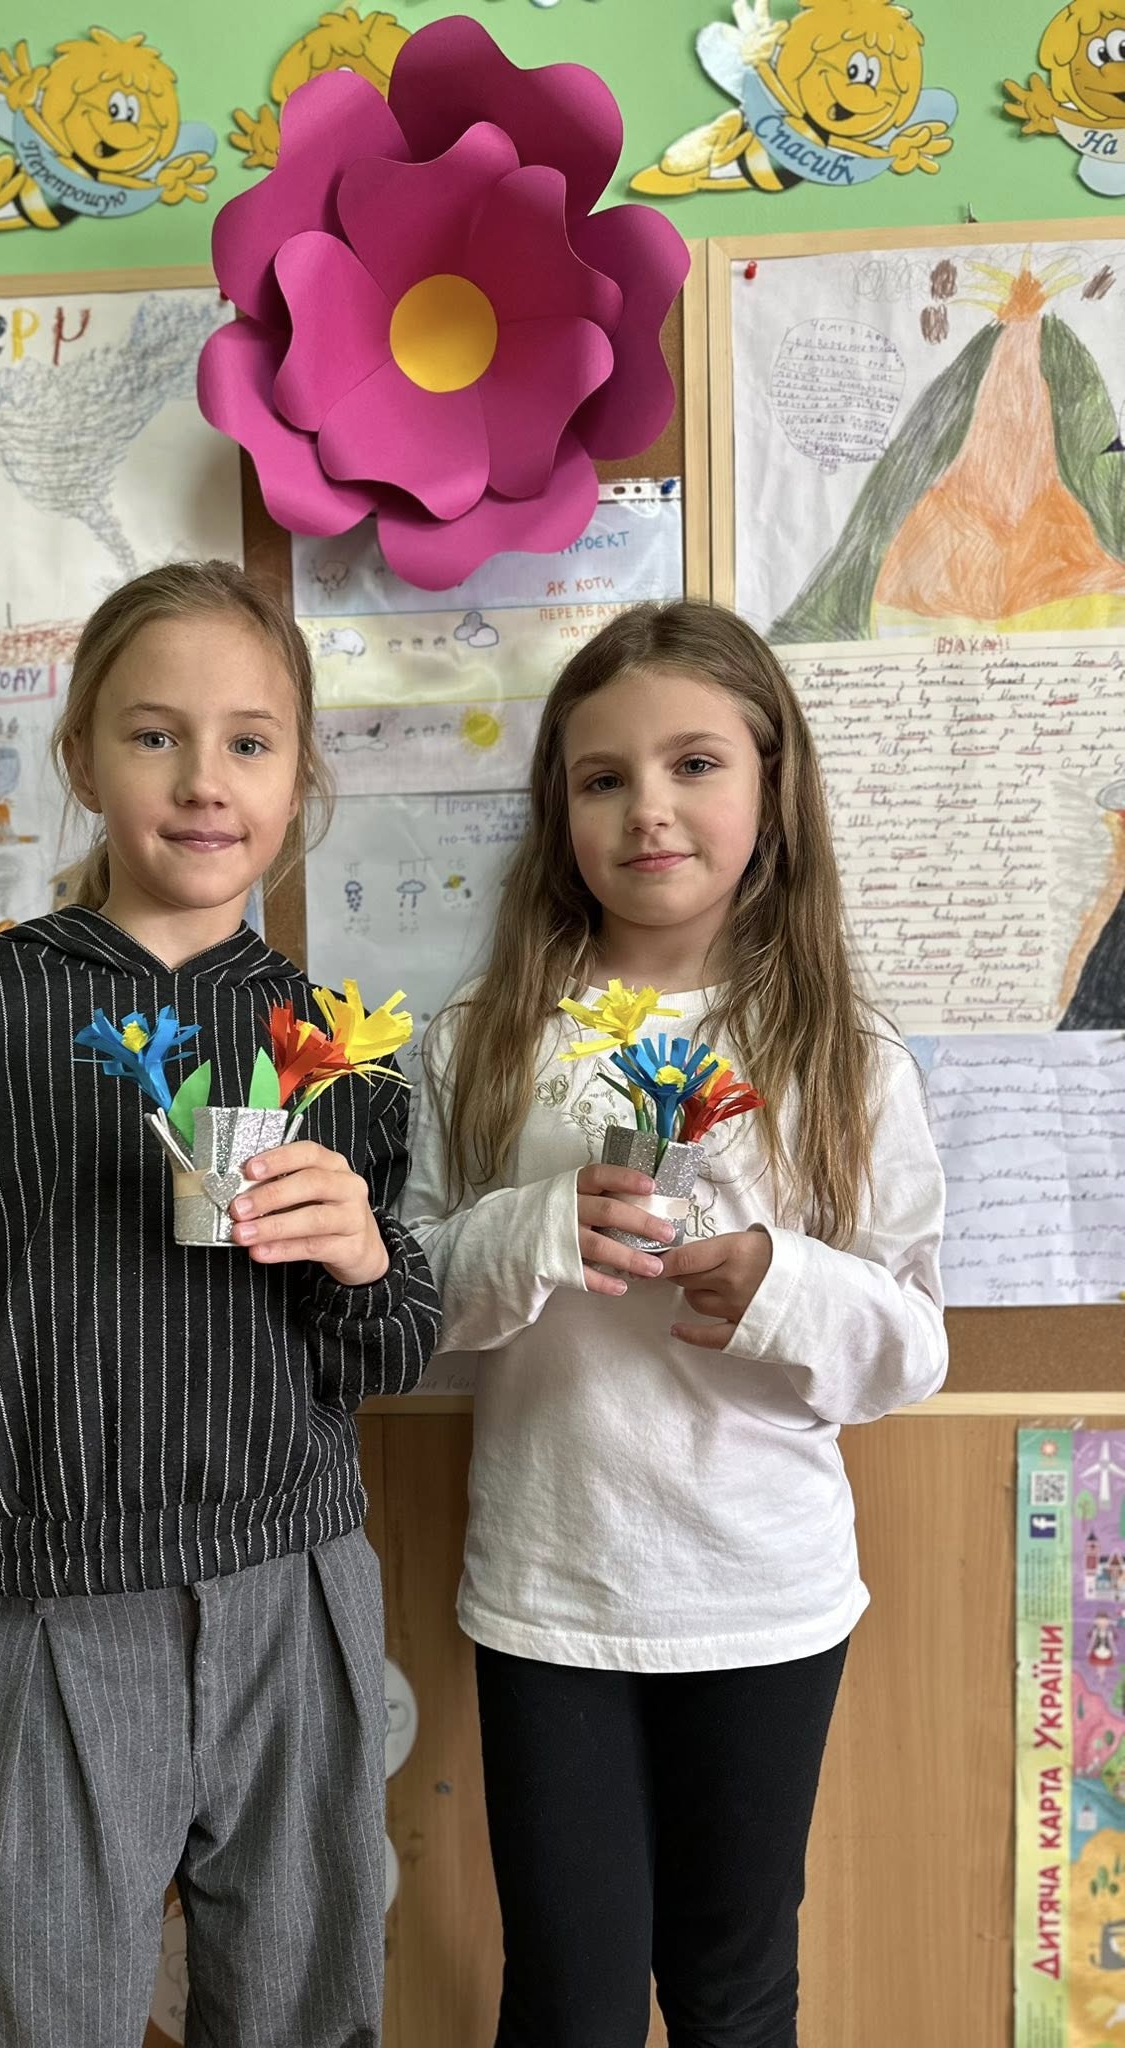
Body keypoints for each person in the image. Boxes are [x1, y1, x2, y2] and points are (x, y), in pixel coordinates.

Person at [0, 559, 440, 2048]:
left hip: (296, 1593)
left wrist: (363, 1261)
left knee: (305, 2012)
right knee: (48, 2017)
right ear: (81, 759)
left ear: (298, 776)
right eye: (156, 735)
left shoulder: (334, 1045)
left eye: (250, 741)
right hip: (53, 1615)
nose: (205, 779)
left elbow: (389, 1347)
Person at [402, 600, 947, 2048]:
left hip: (766, 1597)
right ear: (560, 810)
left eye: (695, 763)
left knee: (733, 1990)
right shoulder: (484, 1042)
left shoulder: (844, 1054)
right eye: (604, 777)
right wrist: (533, 1232)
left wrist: (782, 1283)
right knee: (570, 2003)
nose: (649, 808)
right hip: (552, 1596)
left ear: (773, 787)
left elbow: (913, 1345)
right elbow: (405, 1308)